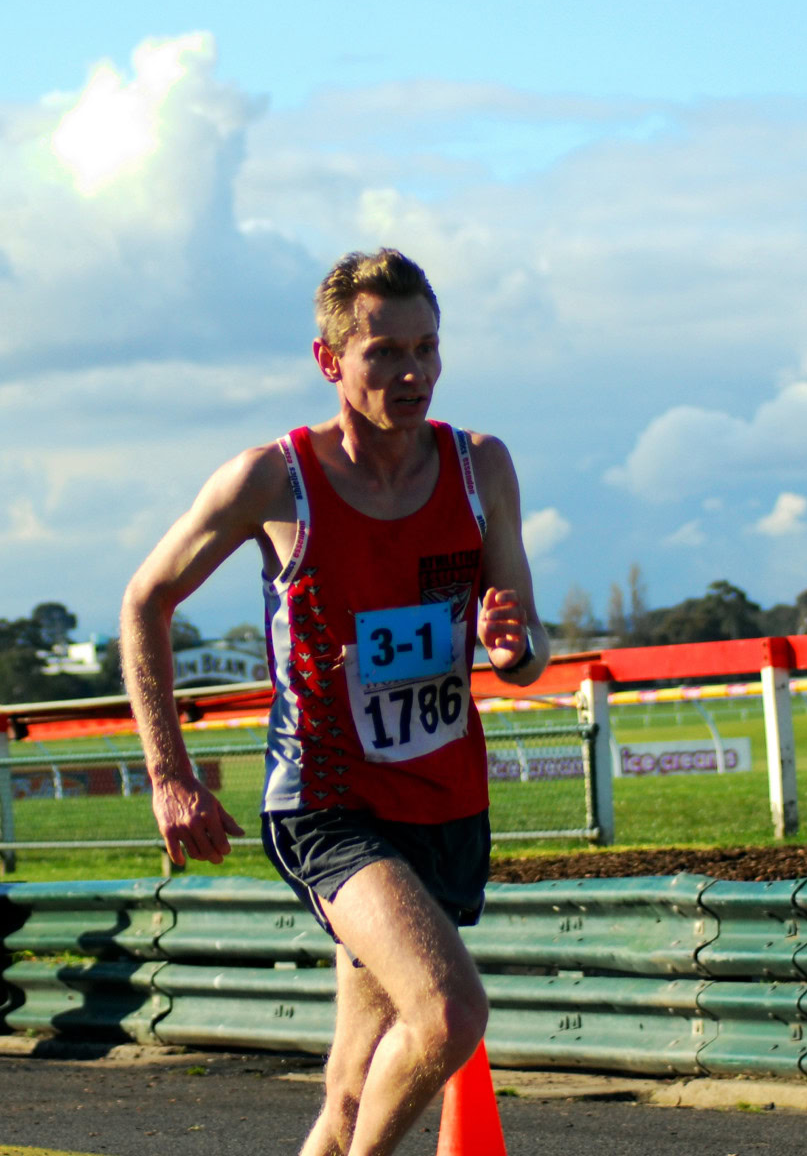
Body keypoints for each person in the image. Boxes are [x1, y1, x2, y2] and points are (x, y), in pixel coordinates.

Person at [120, 248, 549, 1156]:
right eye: (384, 352)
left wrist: (512, 648)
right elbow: (145, 599)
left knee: (353, 1094)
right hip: (326, 798)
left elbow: (522, 649)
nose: (411, 374)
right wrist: (170, 775)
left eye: (427, 349)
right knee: (447, 1013)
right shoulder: (271, 482)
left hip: (443, 797)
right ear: (330, 361)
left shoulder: (481, 468)